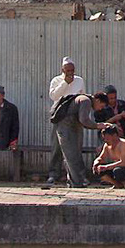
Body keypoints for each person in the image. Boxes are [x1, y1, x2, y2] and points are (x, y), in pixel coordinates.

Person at [46, 58, 86, 187]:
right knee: (57, 146)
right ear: (62, 70)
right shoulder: (56, 81)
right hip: (60, 116)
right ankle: (54, 173)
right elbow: (53, 96)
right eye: (67, 70)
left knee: (76, 147)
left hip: (75, 117)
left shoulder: (79, 80)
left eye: (72, 70)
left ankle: (77, 175)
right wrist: (65, 83)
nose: (70, 73)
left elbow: (82, 96)